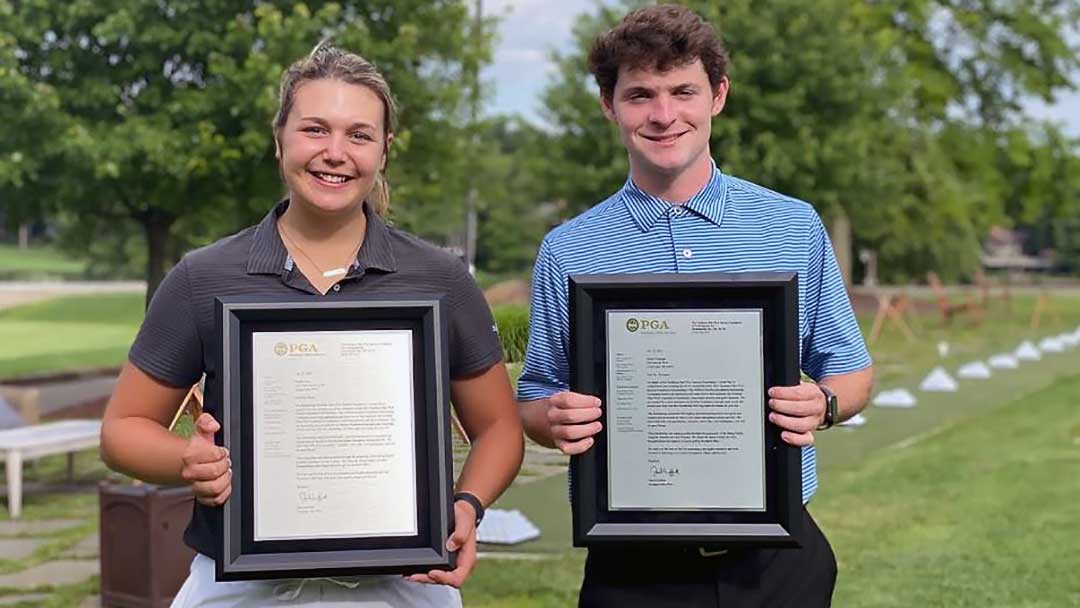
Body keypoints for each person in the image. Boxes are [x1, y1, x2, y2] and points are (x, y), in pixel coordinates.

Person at [100, 42, 523, 607]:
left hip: (400, 586)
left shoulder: (441, 277)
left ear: (384, 150)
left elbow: (499, 428)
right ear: (280, 140)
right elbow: (121, 428)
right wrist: (187, 461)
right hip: (242, 587)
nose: (335, 152)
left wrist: (466, 506)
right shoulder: (203, 276)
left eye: (359, 135)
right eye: (315, 130)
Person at [516, 5, 874, 607]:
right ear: (609, 104)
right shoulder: (568, 248)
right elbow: (534, 398)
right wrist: (551, 419)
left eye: (683, 90)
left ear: (718, 96)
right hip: (630, 569)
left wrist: (826, 401)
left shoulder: (791, 225)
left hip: (776, 563)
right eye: (640, 95)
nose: (663, 115)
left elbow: (853, 370)